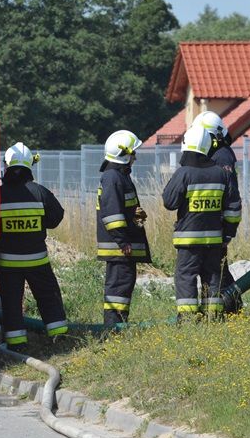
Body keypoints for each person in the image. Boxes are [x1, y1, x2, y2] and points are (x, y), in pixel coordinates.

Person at [162, 124, 241, 321]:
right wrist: (228, 234)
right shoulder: (221, 173)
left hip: (188, 241)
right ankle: (212, 317)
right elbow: (233, 208)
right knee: (213, 278)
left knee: (186, 277)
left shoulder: (184, 173)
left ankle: (188, 320)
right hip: (214, 240)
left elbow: (169, 202)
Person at [0, 142, 68, 350]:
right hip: (37, 259)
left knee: (11, 302)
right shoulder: (40, 193)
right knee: (48, 297)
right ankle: (58, 338)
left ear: (6, 166)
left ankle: (16, 343)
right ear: (30, 165)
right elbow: (56, 218)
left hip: (7, 262)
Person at [96, 130, 151, 329]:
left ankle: (118, 326)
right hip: (119, 247)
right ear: (125, 155)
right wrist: (122, 241)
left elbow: (121, 208)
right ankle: (114, 329)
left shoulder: (118, 176)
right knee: (118, 287)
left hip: (121, 245)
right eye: (133, 153)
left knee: (123, 285)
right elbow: (111, 213)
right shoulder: (113, 177)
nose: (135, 157)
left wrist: (135, 214)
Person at [192, 111, 242, 311]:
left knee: (217, 271)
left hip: (218, 224)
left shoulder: (221, 156)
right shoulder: (218, 153)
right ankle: (225, 308)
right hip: (212, 223)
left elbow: (230, 196)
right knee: (215, 270)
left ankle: (231, 308)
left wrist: (228, 230)